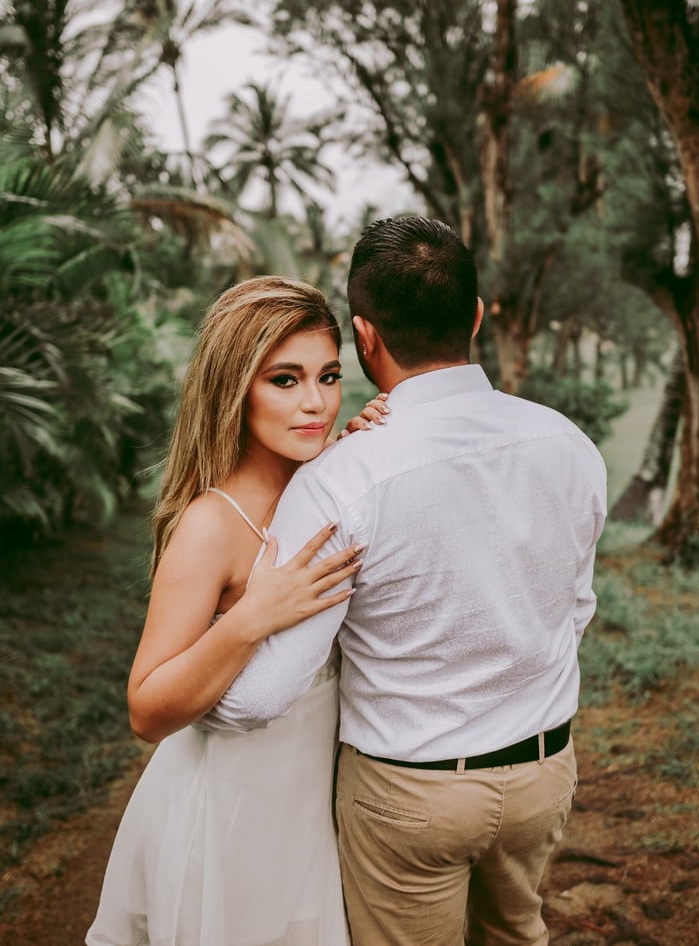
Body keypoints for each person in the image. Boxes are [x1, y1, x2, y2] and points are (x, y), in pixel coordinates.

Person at [204, 217, 608, 945]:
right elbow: (575, 609)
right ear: (477, 315)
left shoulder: (341, 482)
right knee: (519, 931)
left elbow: (263, 695)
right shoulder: (569, 444)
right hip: (543, 774)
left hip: (409, 795)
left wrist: (194, 703)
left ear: (363, 335)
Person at [86, 275, 369, 946]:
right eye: (285, 380)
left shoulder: (327, 480)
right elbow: (146, 708)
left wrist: (364, 445)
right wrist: (252, 616)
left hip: (308, 812)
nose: (316, 403)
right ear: (234, 387)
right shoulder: (212, 524)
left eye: (328, 376)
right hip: (227, 811)